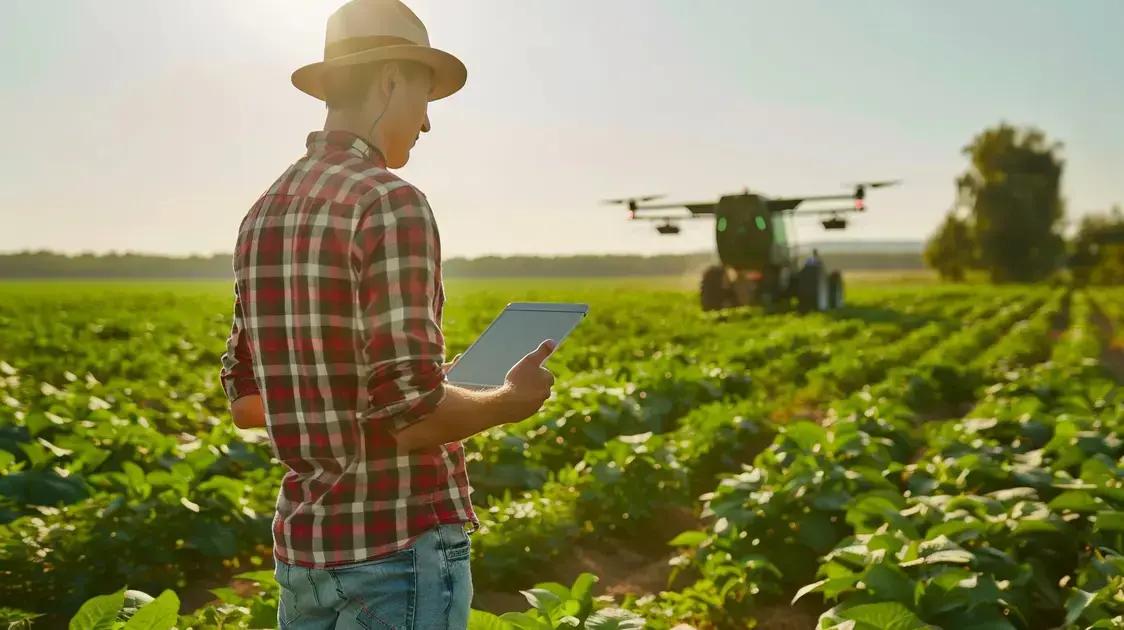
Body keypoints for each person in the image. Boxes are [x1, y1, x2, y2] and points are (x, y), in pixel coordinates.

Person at [217, 1, 556, 627]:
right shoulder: (390, 202)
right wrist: (512, 398)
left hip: (306, 552)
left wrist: (425, 383)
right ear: (390, 78)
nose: (427, 123)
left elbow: (248, 404)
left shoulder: (263, 213)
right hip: (396, 551)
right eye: (426, 97)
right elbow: (410, 418)